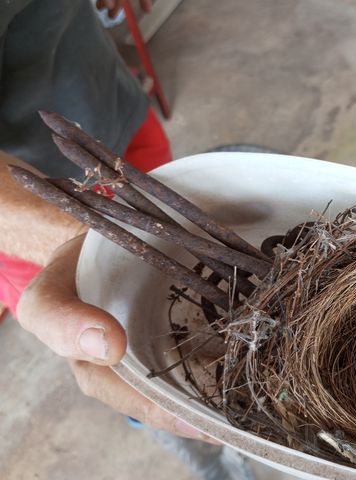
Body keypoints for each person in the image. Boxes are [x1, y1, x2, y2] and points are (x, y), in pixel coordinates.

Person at [0, 0, 218, 445]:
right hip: (28, 213)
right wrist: (95, 249)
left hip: (112, 105)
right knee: (132, 350)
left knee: (177, 244)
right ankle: (153, 415)